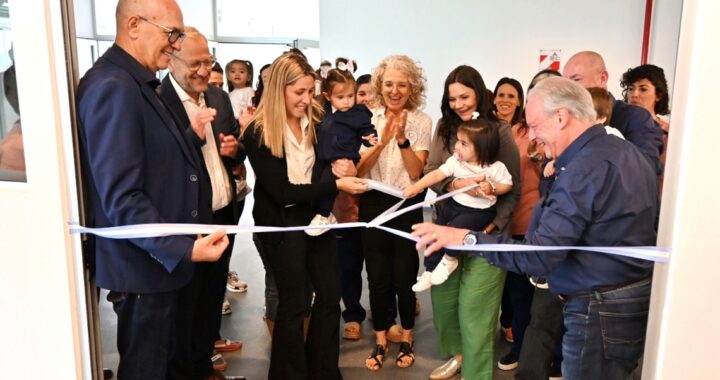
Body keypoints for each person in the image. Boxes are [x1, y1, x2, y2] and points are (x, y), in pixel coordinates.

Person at [413, 76, 658, 380]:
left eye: (535, 126)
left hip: (598, 307)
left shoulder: (584, 168)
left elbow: (539, 255)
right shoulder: (621, 151)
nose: (532, 137)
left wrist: (466, 238)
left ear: (561, 116)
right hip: (624, 297)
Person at [76, 1, 230, 379]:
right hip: (143, 268)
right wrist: (183, 246)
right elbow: (121, 197)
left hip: (158, 264)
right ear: (133, 25)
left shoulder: (136, 82)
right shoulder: (114, 86)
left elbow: (155, 162)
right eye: (171, 34)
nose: (176, 45)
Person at [242, 51, 367, 380]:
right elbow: (281, 192)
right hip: (281, 224)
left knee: (330, 295)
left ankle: (325, 372)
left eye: (310, 91)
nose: (307, 98)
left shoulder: (317, 120)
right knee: (295, 303)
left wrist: (343, 164)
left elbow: (332, 158)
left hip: (318, 220)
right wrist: (336, 184)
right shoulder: (258, 132)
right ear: (279, 89)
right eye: (299, 92)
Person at [159, 27, 245, 378]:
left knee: (211, 297)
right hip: (187, 221)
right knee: (185, 305)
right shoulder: (157, 100)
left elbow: (235, 145)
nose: (202, 71)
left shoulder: (218, 97)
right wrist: (190, 137)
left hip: (224, 211)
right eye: (194, 63)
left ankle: (203, 361)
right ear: (172, 59)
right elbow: (158, 162)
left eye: (207, 62)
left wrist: (235, 149)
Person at [423, 65, 519, 380]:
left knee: (475, 310)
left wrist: (491, 229)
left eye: (464, 96)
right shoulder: (444, 127)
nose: (459, 104)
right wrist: (453, 186)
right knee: (444, 300)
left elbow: (510, 187)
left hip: (485, 236)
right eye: (452, 99)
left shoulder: (498, 131)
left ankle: (476, 373)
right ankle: (458, 356)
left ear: (479, 93)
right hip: (446, 227)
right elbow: (433, 169)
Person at [357, 55, 432, 371]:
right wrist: (382, 139)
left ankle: (406, 337)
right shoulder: (366, 119)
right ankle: (380, 339)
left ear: (412, 87)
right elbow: (360, 170)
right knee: (376, 277)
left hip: (406, 204)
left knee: (403, 275)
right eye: (389, 84)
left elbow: (416, 171)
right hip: (373, 203)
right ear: (380, 85)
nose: (395, 90)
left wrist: (400, 139)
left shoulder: (422, 121)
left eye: (402, 84)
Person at [406, 117, 512, 291]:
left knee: (455, 229)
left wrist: (492, 187)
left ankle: (449, 260)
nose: (456, 147)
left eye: (464, 144)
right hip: (455, 205)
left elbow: (507, 185)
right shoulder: (455, 162)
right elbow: (436, 175)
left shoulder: (495, 167)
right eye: (458, 141)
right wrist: (416, 187)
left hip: (480, 212)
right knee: (436, 230)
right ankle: (429, 270)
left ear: (481, 148)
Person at [563, 51, 664, 174]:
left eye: (576, 80)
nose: (568, 89)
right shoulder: (565, 119)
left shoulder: (635, 117)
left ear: (603, 78)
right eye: (566, 83)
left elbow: (646, 169)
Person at [309, 68, 377, 234]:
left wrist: (370, 138)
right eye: (340, 97)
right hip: (323, 156)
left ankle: (324, 215)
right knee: (316, 181)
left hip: (343, 158)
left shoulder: (358, 113)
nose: (346, 101)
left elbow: (367, 129)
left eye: (350, 96)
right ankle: (317, 212)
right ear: (327, 96)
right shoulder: (322, 111)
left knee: (328, 183)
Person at [620, 63, 671, 194]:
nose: (634, 94)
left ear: (658, 95)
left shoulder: (668, 134)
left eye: (643, 89)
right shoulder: (617, 123)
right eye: (631, 89)